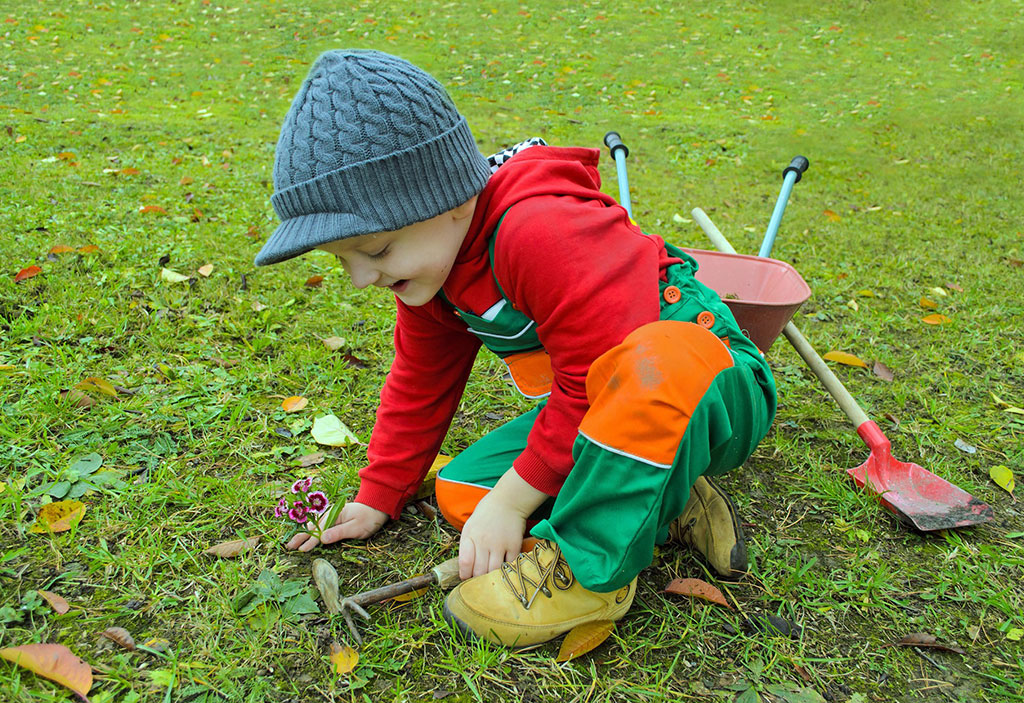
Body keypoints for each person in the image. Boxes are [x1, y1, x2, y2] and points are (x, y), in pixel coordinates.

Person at [257, 49, 776, 647]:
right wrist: (380, 493)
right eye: (344, 260)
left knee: (652, 363)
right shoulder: (433, 276)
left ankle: (590, 575)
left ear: (447, 200)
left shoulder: (538, 229)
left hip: (710, 383)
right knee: (464, 495)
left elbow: (593, 376)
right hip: (606, 412)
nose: (361, 278)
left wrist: (513, 500)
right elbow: (420, 382)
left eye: (374, 251)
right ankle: (665, 495)